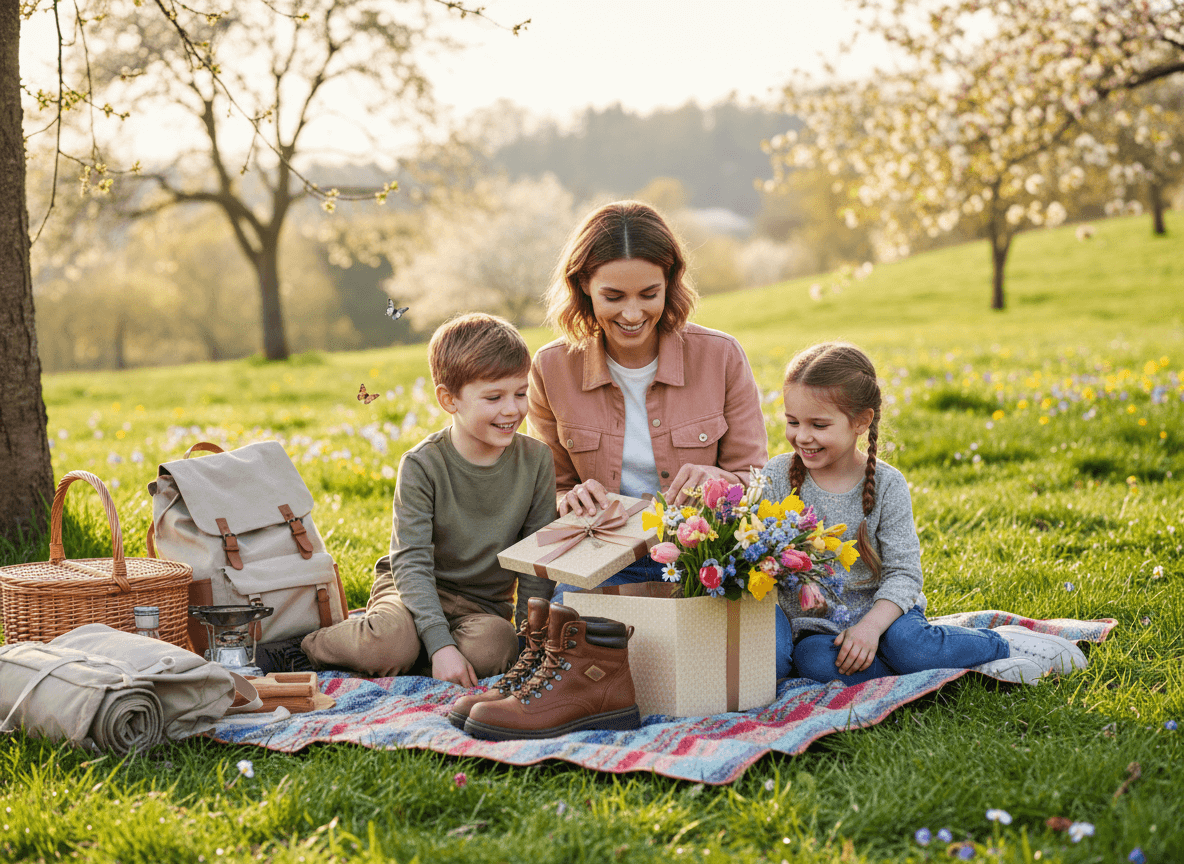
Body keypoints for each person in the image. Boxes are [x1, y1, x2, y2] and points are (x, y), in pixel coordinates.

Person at [528, 200, 795, 673]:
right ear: (583, 287)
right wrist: (570, 497)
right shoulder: (551, 367)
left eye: (649, 294)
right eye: (613, 297)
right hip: (604, 559)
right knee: (572, 663)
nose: (632, 313)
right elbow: (548, 486)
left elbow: (757, 478)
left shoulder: (721, 356)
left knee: (764, 661)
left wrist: (717, 479)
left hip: (708, 557)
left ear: (670, 284)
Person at [762, 341, 1089, 685]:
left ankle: (1001, 644)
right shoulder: (778, 477)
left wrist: (871, 628)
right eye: (793, 421)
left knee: (910, 647)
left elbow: (904, 574)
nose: (802, 436)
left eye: (818, 425)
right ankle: (963, 669)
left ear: (861, 421)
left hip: (887, 616)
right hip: (819, 629)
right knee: (813, 663)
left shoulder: (887, 484)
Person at [259, 313, 558, 686]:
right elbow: (412, 561)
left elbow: (536, 560)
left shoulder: (537, 461)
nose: (512, 409)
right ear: (449, 400)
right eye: (494, 397)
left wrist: (529, 636)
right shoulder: (423, 464)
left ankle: (418, 652)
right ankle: (305, 647)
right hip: (411, 589)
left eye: (520, 393)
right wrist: (440, 644)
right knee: (388, 642)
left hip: (480, 608)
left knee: (496, 648)